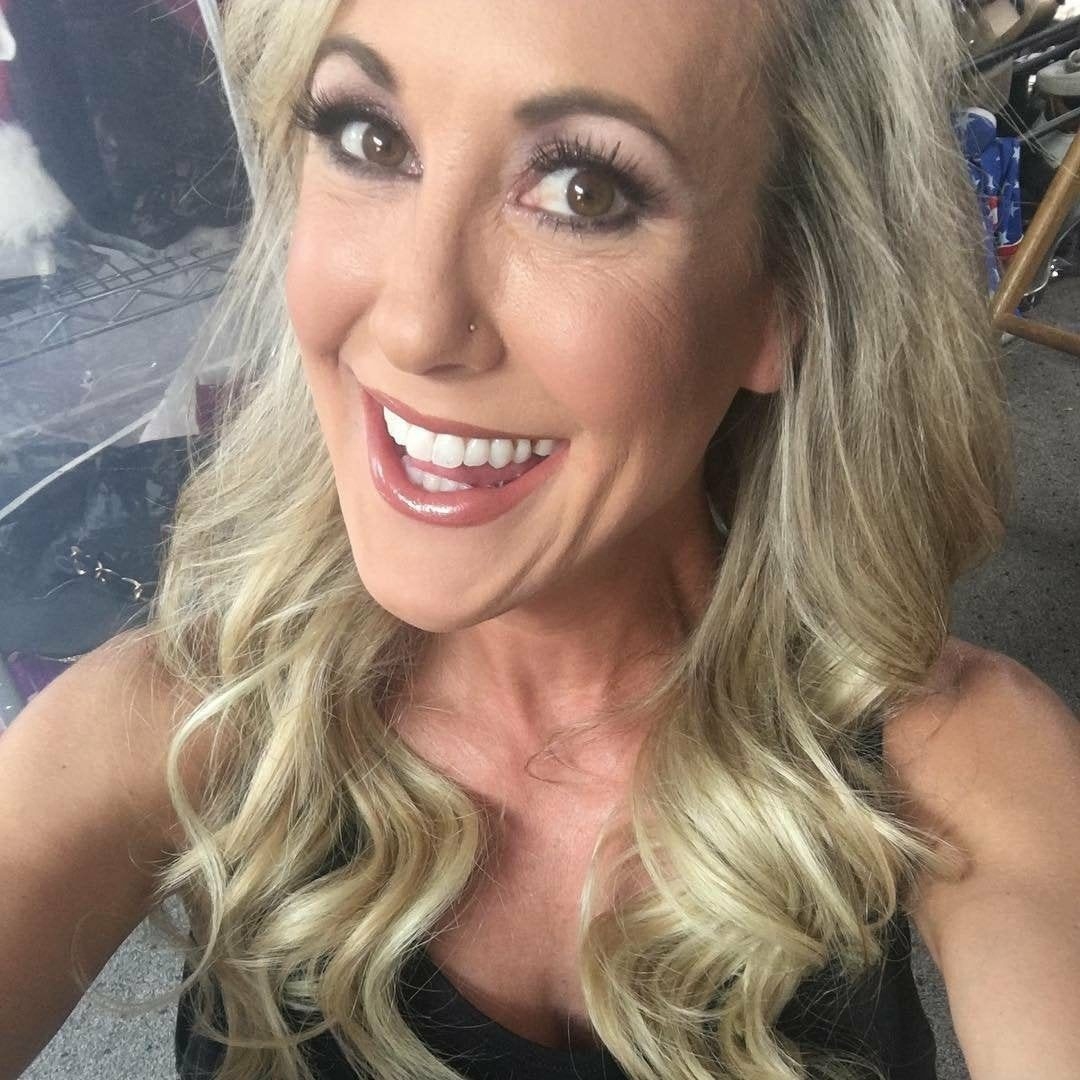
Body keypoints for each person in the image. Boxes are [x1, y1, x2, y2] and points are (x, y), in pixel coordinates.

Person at [3, 1, 1079, 1078]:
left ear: (785, 295)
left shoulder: (969, 758)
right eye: (368, 138)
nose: (415, 323)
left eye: (582, 190)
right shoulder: (154, 725)